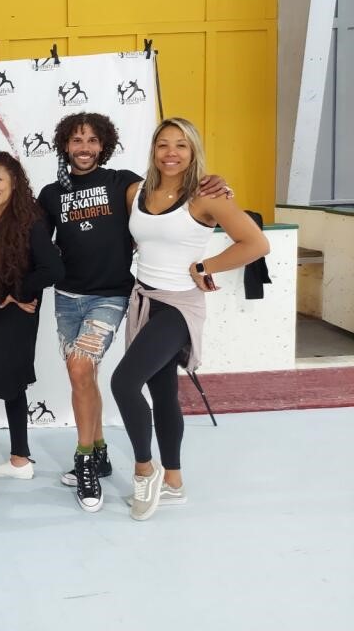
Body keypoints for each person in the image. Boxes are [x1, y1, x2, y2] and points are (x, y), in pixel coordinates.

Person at [36, 112, 229, 513]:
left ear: (103, 145)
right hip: (67, 297)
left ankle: (85, 459)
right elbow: (34, 244)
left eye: (92, 140)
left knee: (78, 368)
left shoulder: (123, 183)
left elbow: (165, 198)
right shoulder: (51, 194)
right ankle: (101, 451)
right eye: (76, 140)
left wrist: (215, 185)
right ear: (64, 145)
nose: (84, 147)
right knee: (82, 376)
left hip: (111, 295)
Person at [112, 118, 268, 521]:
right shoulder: (137, 191)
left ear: (193, 151)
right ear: (153, 150)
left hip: (179, 307)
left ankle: (145, 470)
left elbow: (256, 243)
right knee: (162, 391)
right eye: (163, 144)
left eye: (181, 145)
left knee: (124, 382)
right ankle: (174, 483)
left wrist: (207, 266)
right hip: (144, 299)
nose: (171, 153)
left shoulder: (207, 196)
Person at [0, 152, 64, 509]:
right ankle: (20, 459)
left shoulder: (31, 221)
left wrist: (19, 292)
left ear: (15, 181)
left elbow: (53, 269)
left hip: (15, 315)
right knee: (12, 385)